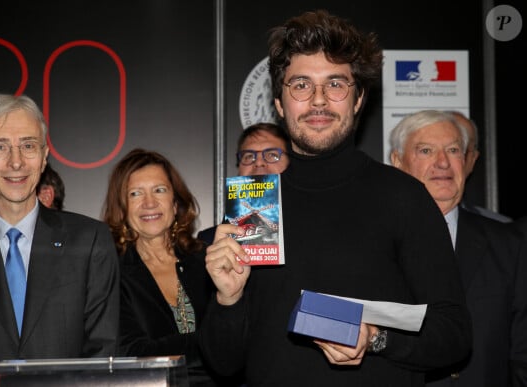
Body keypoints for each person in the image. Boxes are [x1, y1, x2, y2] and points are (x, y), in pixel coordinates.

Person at [199, 10, 471, 386]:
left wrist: (376, 339)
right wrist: (227, 299)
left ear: (357, 99)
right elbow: (224, 364)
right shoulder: (256, 210)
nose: (319, 101)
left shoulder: (404, 197)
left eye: (336, 85)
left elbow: (455, 336)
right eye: (300, 85)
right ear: (279, 103)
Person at [0, 93, 119, 362]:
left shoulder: (90, 241)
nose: (16, 162)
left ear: (44, 157)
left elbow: (102, 352)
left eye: (28, 146)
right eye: (0, 147)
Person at [389, 109, 527, 386]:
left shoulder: (509, 244)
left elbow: (522, 351)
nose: (442, 163)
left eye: (452, 150)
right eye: (426, 151)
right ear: (398, 162)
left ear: (465, 161)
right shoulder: (373, 240)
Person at [102, 148, 234, 386]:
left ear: (175, 204)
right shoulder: (111, 273)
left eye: (159, 190)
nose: (149, 203)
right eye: (135, 194)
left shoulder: (208, 259)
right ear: (122, 208)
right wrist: (212, 342)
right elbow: (133, 353)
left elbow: (236, 344)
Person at [197, 122, 289, 245]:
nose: (259, 163)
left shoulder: (314, 229)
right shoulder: (209, 241)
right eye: (249, 156)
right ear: (239, 169)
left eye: (272, 155)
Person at [445, 110, 512, 222]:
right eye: (428, 151)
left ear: (472, 160)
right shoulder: (405, 222)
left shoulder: (503, 230)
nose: (444, 161)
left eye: (456, 150)